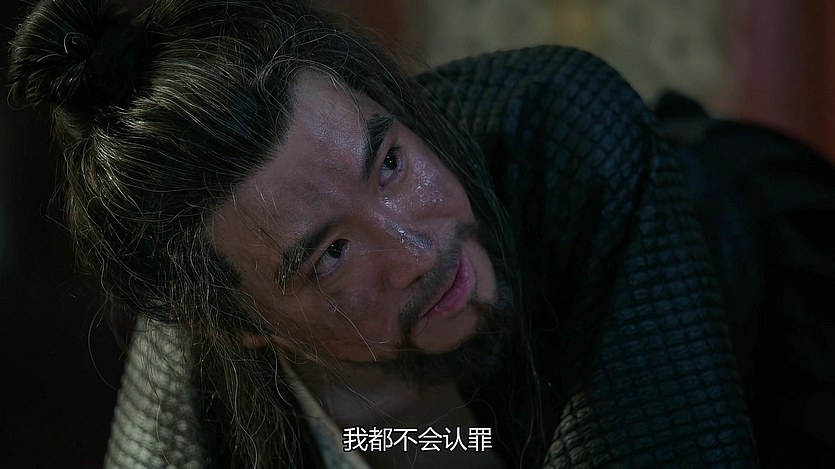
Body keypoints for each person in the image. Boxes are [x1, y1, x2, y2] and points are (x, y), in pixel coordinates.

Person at [7, 0, 759, 467]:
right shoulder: (201, 304)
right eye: (332, 254)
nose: (417, 252)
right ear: (233, 324)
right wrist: (403, 435)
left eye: (391, 163)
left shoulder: (566, 134)